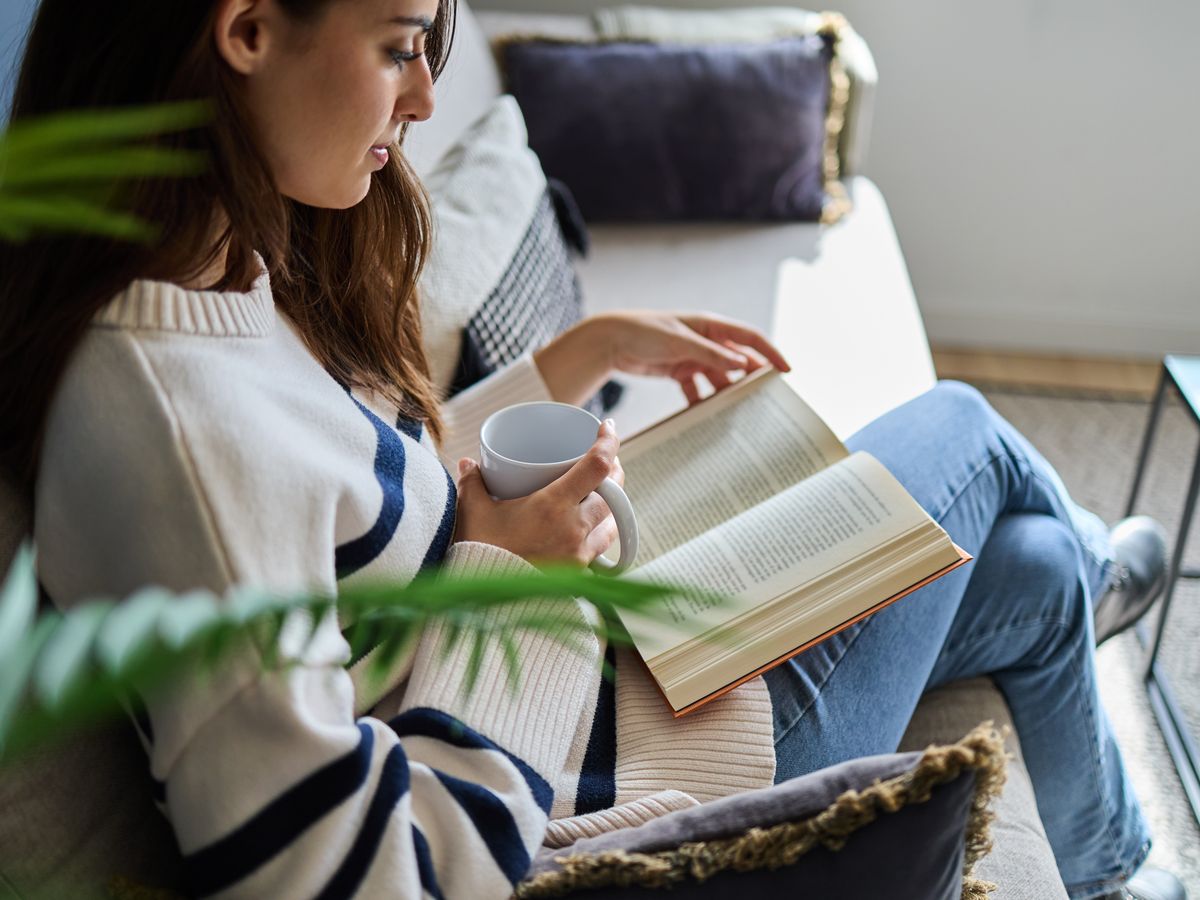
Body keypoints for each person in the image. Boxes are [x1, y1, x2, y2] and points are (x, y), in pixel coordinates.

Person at [0, 1, 1182, 898]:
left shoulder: (216, 286)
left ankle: (1117, 859)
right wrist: (516, 579)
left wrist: (583, 353)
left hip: (625, 682)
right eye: (401, 46)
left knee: (1021, 575)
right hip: (639, 761)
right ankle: (1104, 575)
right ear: (248, 29)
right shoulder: (168, 416)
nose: (419, 100)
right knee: (966, 432)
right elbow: (364, 878)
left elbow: (354, 522)